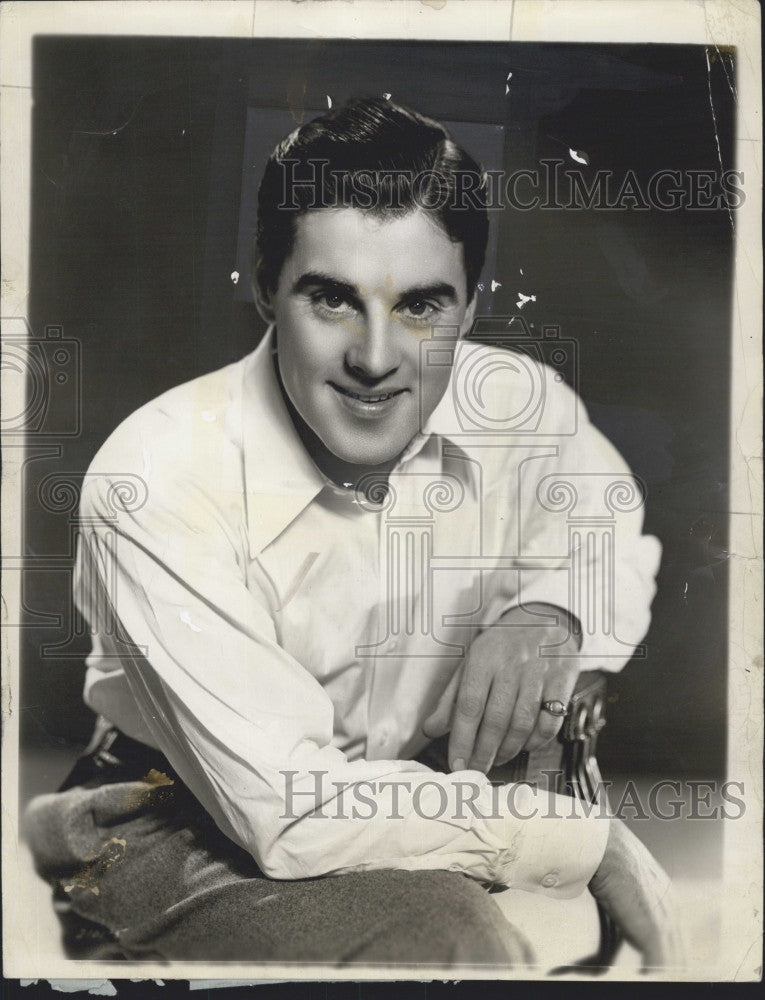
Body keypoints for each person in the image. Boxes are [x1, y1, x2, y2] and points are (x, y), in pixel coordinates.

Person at [25, 97, 681, 969]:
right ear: (264, 285)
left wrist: (551, 615)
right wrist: (584, 842)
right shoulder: (154, 476)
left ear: (471, 305)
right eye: (332, 299)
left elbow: (605, 515)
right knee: (446, 936)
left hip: (406, 785)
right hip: (176, 816)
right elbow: (288, 812)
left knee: (457, 909)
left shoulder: (517, 401)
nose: (375, 358)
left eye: (421, 306)